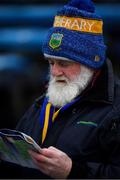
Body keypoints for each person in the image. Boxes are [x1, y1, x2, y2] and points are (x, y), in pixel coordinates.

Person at [0, 0, 120, 178]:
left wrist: (72, 171)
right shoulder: (45, 100)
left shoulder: (115, 109)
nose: (55, 72)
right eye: (51, 62)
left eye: (64, 63)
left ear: (92, 64)